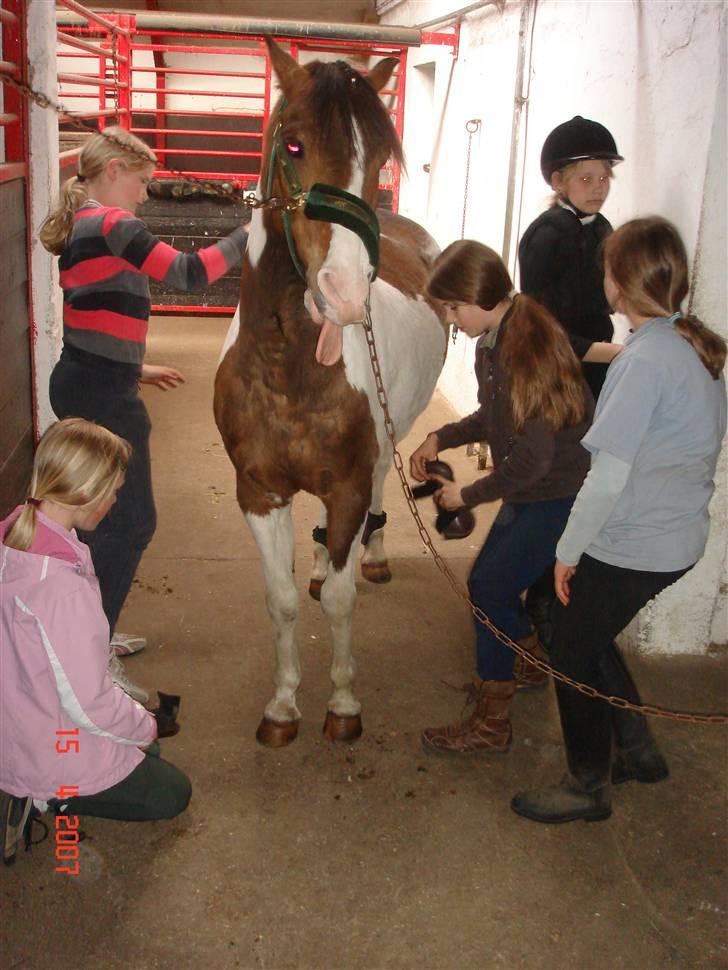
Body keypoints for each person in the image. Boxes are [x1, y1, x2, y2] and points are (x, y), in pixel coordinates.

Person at [511, 217, 727, 824]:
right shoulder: (687, 345)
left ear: (620, 280)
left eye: (606, 267)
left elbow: (606, 475)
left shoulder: (643, 361)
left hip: (640, 541)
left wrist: (567, 551)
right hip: (675, 533)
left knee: (571, 646)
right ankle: (636, 751)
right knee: (590, 628)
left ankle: (587, 786)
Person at [40, 126, 248, 703]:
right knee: (132, 523)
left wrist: (136, 367)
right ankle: (91, 652)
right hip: (103, 395)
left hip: (86, 377)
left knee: (98, 522)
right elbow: (186, 274)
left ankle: (89, 626)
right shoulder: (112, 223)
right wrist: (246, 236)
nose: (145, 194)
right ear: (112, 172)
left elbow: (96, 311)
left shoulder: (84, 226)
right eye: (141, 181)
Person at [409, 240, 594, 755]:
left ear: (476, 295)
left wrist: (465, 495)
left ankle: (493, 724)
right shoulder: (499, 334)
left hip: (554, 491)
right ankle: (527, 660)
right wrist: (440, 437)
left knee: (489, 588)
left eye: (451, 308)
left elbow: (531, 459)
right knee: (490, 583)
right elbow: (493, 419)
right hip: (540, 487)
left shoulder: (524, 350)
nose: (449, 319)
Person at [0, 418, 191, 864]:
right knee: (172, 791)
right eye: (113, 491)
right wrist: (145, 724)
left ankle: (32, 781)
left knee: (144, 751)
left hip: (19, 718)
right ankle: (50, 796)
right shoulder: (60, 589)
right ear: (85, 493)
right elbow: (88, 702)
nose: (115, 500)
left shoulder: (16, 535)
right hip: (52, 744)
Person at [518, 115, 624, 652]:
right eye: (587, 178)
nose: (598, 187)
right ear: (558, 181)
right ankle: (536, 592)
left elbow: (603, 298)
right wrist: (594, 350)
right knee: (555, 478)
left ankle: (555, 579)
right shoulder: (546, 235)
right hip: (559, 372)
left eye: (605, 177)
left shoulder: (602, 230)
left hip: (596, 367)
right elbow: (539, 316)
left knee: (583, 478)